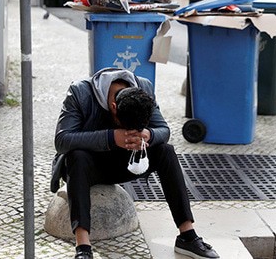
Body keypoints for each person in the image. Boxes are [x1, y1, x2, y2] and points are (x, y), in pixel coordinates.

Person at [51, 67, 220, 259]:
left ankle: (187, 235)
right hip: (87, 166)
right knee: (77, 156)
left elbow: (163, 129)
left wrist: (148, 134)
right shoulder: (80, 92)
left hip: (127, 162)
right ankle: (83, 246)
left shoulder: (144, 89)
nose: (131, 132)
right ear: (114, 106)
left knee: (166, 151)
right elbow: (62, 140)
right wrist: (112, 137)